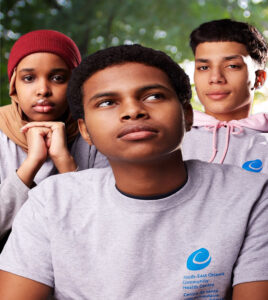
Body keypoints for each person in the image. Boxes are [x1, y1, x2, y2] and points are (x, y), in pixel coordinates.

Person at [0, 44, 267, 300]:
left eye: (153, 96)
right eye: (106, 102)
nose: (132, 111)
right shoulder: (51, 200)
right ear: (85, 130)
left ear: (187, 115)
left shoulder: (252, 196)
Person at [0, 30, 108, 245]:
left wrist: (65, 161)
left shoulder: (95, 133)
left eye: (58, 78)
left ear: (75, 85)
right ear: (14, 85)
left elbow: (103, 229)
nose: (43, 90)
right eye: (29, 78)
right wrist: (31, 164)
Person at [182, 19, 268, 173]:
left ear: (259, 78)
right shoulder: (168, 139)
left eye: (232, 66)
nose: (215, 78)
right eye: (203, 67)